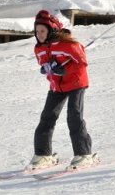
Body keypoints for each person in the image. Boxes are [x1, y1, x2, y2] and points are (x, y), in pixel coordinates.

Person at [28, 10, 98, 171]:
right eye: (37, 31)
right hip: (56, 86)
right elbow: (43, 62)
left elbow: (81, 63)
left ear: (51, 30)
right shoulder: (38, 48)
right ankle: (43, 155)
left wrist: (63, 69)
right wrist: (47, 68)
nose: (39, 34)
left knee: (74, 116)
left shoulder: (69, 45)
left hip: (76, 83)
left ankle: (84, 154)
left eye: (42, 31)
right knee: (47, 117)